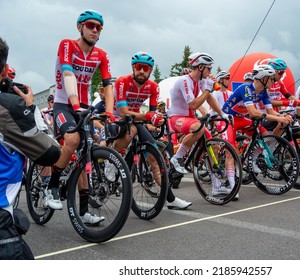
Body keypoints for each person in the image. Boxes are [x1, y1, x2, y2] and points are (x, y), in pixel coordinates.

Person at [46, 10, 115, 225]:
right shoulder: (68, 44)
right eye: (90, 25)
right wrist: (74, 104)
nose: (95, 30)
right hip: (64, 102)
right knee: (73, 140)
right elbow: (68, 74)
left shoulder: (101, 55)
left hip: (83, 105)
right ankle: (52, 185)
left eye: (99, 27)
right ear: (80, 27)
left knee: (86, 149)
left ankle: (84, 211)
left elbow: (107, 86)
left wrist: (110, 113)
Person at [111, 51, 192, 210]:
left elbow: (153, 113)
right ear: (133, 68)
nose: (142, 71)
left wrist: (157, 119)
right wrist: (148, 117)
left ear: (150, 70)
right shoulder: (122, 82)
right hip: (117, 119)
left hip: (135, 121)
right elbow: (123, 113)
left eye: (146, 68)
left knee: (155, 159)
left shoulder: (153, 87)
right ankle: (111, 163)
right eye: (139, 67)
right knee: (131, 129)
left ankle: (170, 198)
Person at [1, 37, 50, 259]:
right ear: (3, 72)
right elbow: (49, 153)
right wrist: (30, 108)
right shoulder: (10, 108)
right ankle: (50, 187)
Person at [221, 65, 293, 175]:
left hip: (240, 118)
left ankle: (253, 159)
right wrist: (279, 118)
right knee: (230, 151)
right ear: (264, 79)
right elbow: (253, 113)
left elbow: (271, 112)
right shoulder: (246, 89)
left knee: (267, 137)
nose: (273, 81)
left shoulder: (263, 92)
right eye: (271, 78)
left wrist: (283, 117)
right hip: (227, 119)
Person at [168, 52, 230, 177]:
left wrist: (222, 114)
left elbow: (210, 98)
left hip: (190, 118)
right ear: (200, 67)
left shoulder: (201, 81)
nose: (210, 71)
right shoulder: (184, 80)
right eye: (209, 68)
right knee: (198, 128)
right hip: (177, 118)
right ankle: (177, 157)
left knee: (213, 145)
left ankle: (216, 185)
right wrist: (208, 89)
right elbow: (193, 105)